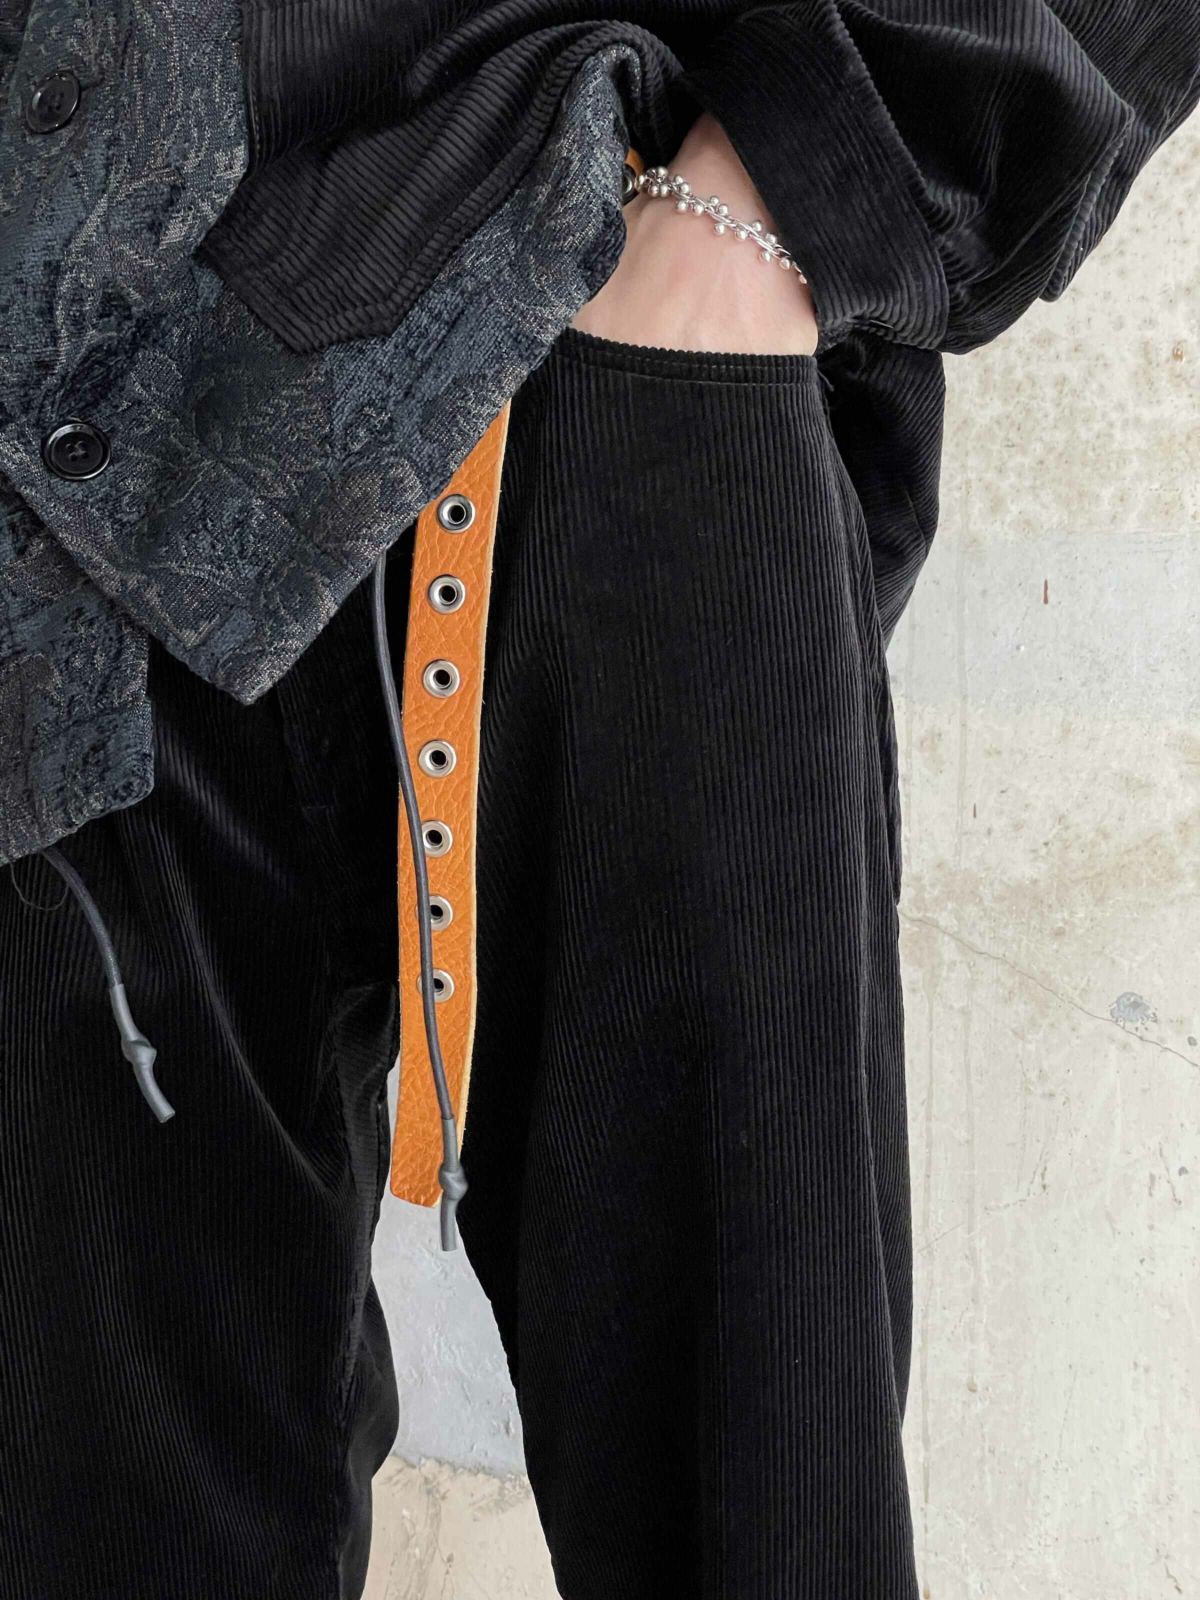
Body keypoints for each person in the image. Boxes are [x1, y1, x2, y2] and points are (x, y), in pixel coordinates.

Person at [0, 3, 1195, 1597]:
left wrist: (788, 198)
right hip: (65, 479)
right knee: (103, 1526)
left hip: (581, 341)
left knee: (759, 1505)